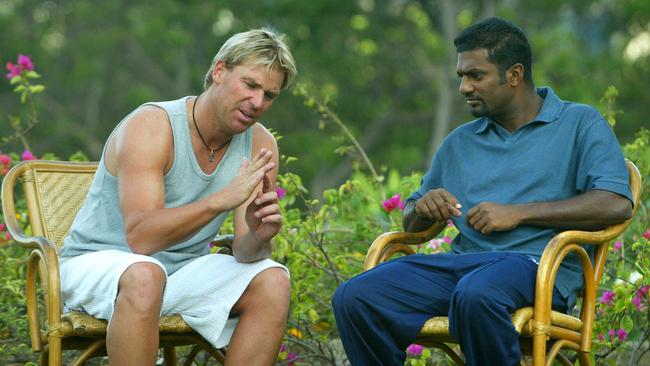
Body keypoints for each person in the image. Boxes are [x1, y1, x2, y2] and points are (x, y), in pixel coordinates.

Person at [332, 17, 633, 366]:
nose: (464, 87)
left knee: (477, 293)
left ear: (515, 75)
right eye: (462, 76)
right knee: (356, 296)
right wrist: (423, 208)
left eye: (476, 76)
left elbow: (616, 204)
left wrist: (519, 212)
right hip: (461, 269)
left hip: (538, 268)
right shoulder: (460, 142)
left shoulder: (580, 123)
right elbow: (413, 224)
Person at [59, 28, 297, 365]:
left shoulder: (260, 144)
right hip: (98, 264)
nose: (258, 102)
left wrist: (259, 236)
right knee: (145, 274)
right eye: (250, 85)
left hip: (181, 271)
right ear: (219, 71)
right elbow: (142, 238)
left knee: (273, 279)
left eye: (270, 95)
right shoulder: (153, 125)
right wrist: (220, 200)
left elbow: (245, 253)